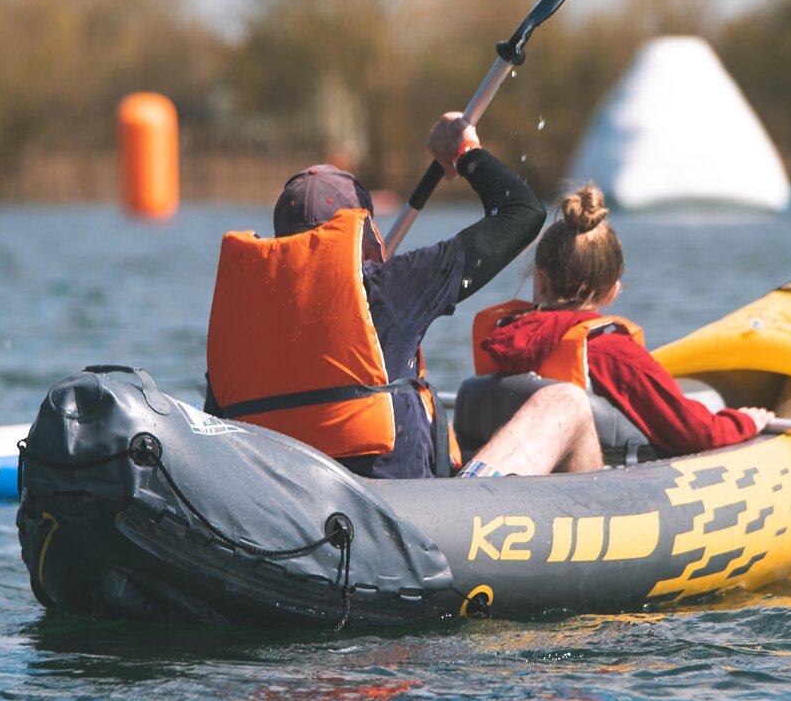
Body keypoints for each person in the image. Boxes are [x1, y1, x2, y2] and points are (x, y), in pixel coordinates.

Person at [205, 112, 572, 479]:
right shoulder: (391, 288)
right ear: (363, 233)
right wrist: (464, 152)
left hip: (283, 501)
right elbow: (522, 213)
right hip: (399, 507)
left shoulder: (239, 319)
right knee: (565, 405)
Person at [459, 183, 773, 477]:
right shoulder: (611, 353)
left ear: (540, 280)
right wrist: (744, 421)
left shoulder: (499, 341)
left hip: (507, 484)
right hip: (578, 498)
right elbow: (694, 432)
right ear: (612, 290)